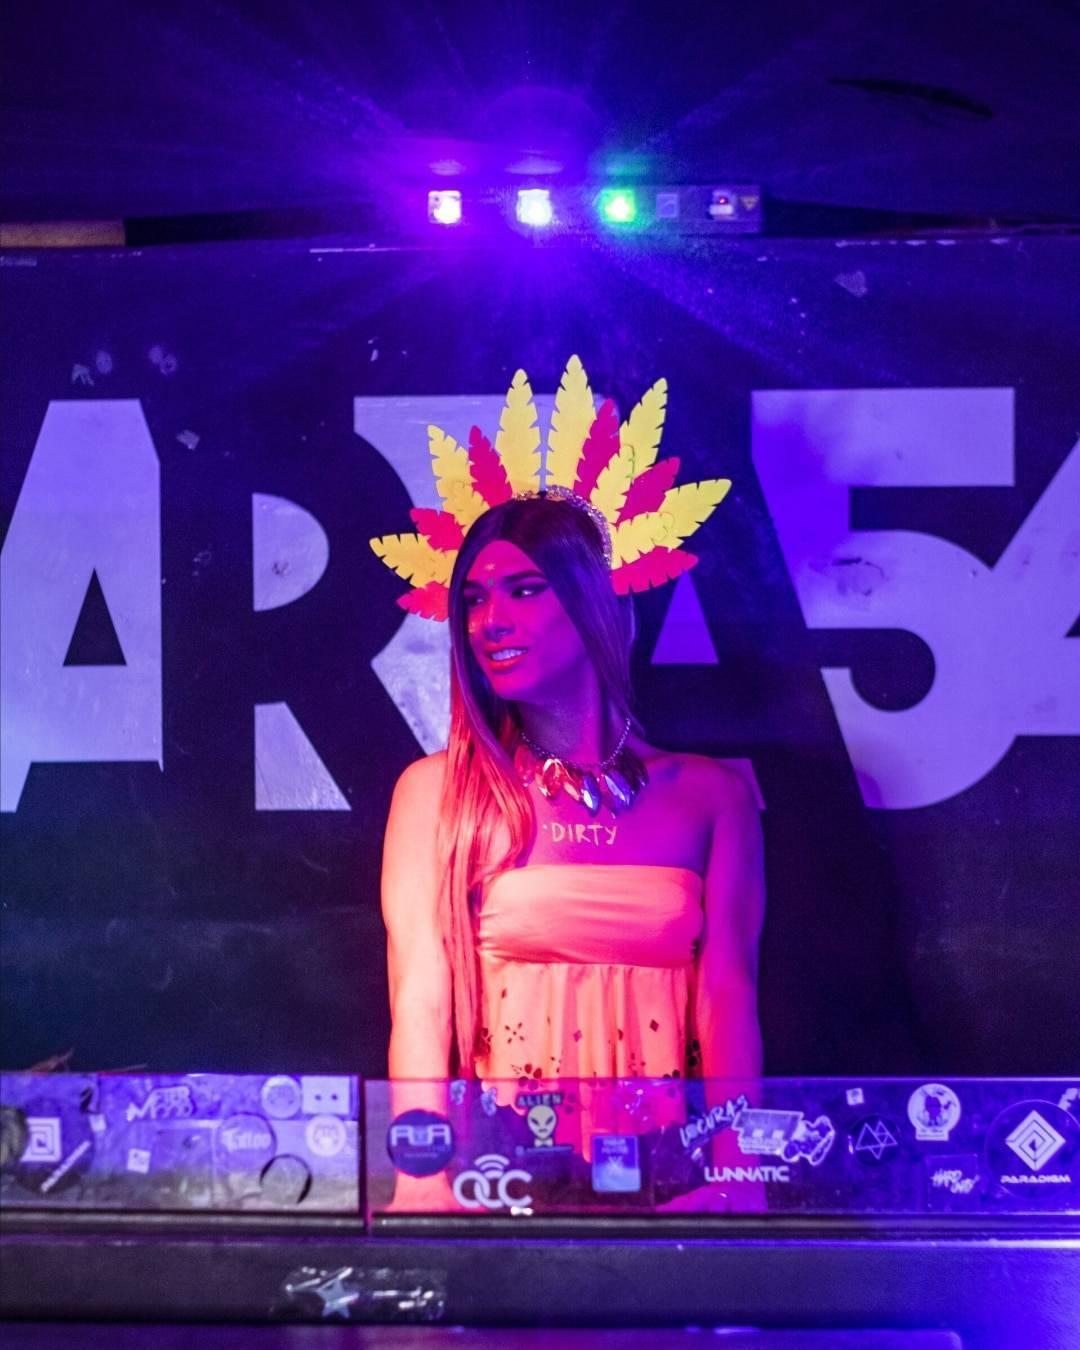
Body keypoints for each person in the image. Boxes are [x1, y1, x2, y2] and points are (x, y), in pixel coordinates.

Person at [373, 357, 765, 1208]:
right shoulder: (435, 794)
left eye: (523, 590)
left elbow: (729, 1001)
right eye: (474, 600)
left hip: (667, 1182)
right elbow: (420, 1002)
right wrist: (421, 1176)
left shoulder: (710, 797)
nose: (491, 621)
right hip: (501, 1180)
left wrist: (738, 1175)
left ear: (595, 603)